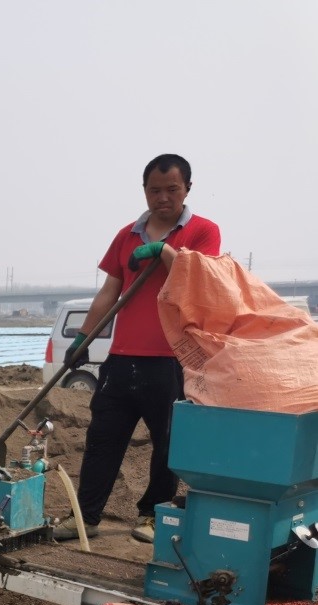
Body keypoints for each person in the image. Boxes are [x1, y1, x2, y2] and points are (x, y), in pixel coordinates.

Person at [53, 154, 220, 545]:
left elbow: (200, 282)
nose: (162, 198)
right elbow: (110, 291)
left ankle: (153, 515)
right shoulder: (126, 234)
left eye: (172, 189)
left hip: (172, 361)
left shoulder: (203, 231)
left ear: (187, 189)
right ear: (144, 191)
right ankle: (85, 516)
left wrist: (164, 252)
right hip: (122, 360)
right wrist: (83, 337)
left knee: (167, 444)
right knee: (102, 440)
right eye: (154, 190)